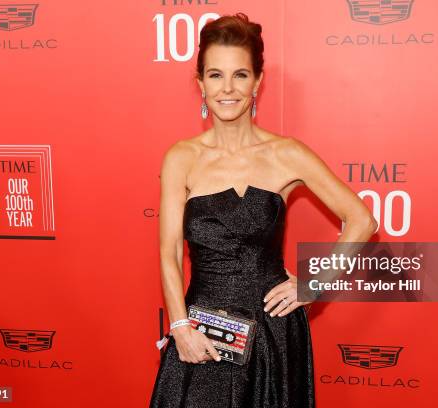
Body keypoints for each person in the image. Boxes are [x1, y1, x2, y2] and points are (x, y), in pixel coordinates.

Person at [149, 12, 377, 408]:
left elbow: (362, 219)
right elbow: (168, 252)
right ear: (200, 83)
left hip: (272, 330)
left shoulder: (286, 154)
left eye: (240, 75)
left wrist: (313, 283)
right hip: (201, 330)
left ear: (257, 81)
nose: (227, 89)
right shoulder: (181, 158)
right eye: (215, 75)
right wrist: (180, 326)